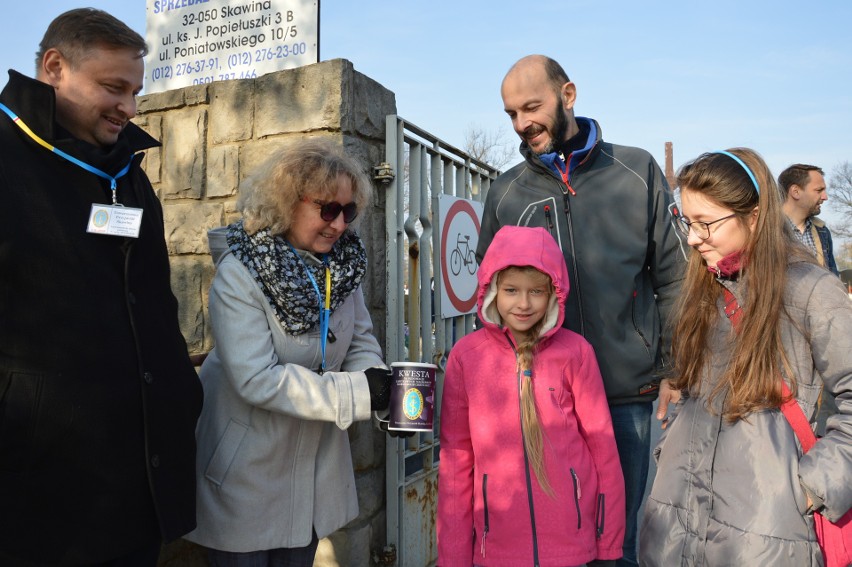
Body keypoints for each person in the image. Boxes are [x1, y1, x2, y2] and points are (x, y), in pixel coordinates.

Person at [0, 8, 202, 566]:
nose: (130, 109)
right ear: (54, 67)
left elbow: (153, 302)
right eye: (114, 88)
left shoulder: (127, 173)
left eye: (135, 91)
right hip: (36, 505)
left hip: (137, 494)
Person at [476, 54, 685, 566]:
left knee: (622, 543)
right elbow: (490, 292)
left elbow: (676, 276)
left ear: (567, 96)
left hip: (626, 397)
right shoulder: (505, 193)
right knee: (557, 542)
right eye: (511, 114)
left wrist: (676, 366)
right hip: (543, 400)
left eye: (531, 106)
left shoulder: (635, 171)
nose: (522, 123)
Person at [184, 139, 393, 566]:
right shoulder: (239, 273)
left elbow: (359, 341)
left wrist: (380, 383)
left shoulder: (342, 266)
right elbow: (256, 379)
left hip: (313, 477)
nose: (339, 225)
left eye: (348, 211)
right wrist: (359, 393)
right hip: (245, 474)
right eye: (327, 209)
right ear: (286, 202)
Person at [640, 148, 852, 565]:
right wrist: (670, 449)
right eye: (687, 221)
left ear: (753, 217)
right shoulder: (704, 287)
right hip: (678, 523)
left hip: (768, 533)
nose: (692, 237)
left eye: (706, 223)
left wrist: (812, 486)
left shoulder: (811, 290)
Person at [438, 225, 626, 566]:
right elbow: (455, 462)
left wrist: (608, 538)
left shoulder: (576, 353)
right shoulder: (466, 357)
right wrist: (453, 555)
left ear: (554, 293)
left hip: (569, 546)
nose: (523, 304)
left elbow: (603, 450)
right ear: (492, 289)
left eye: (536, 292)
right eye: (511, 290)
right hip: (496, 549)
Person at [779, 163, 839, 275]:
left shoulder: (823, 232)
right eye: (819, 190)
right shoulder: (765, 231)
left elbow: (833, 279)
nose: (825, 197)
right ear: (795, 192)